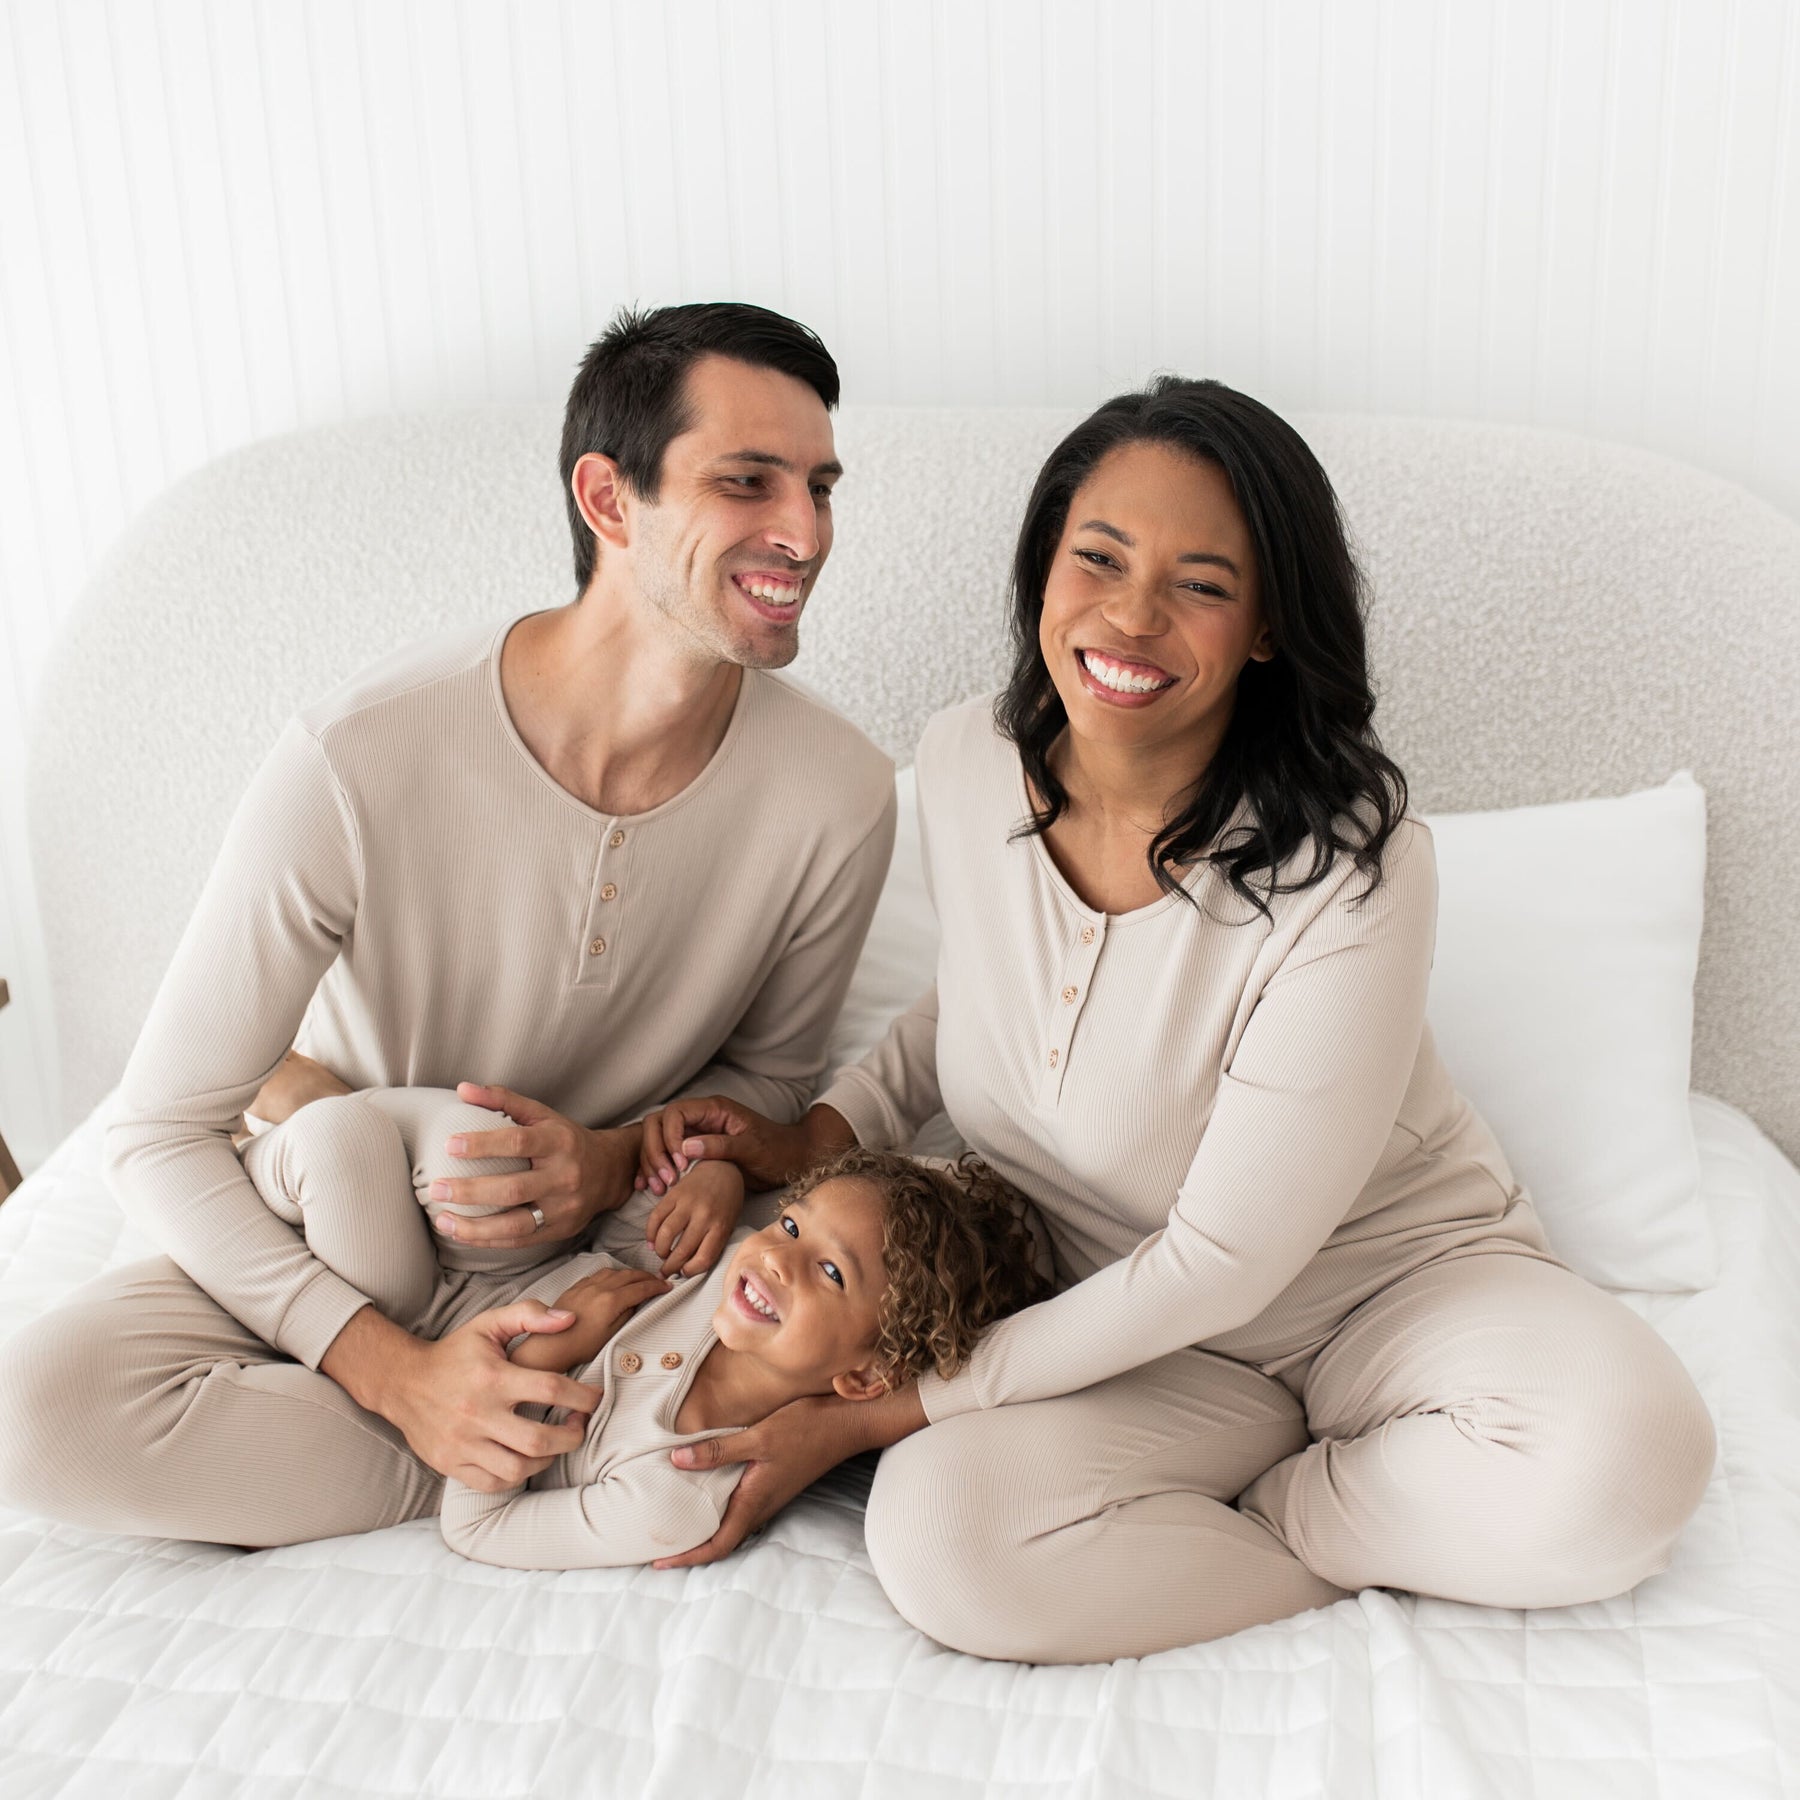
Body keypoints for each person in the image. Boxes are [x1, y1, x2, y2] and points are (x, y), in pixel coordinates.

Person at [632, 377, 1719, 1663]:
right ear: (1045, 569)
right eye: (1097, 558)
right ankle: (1299, 1507)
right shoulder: (969, 761)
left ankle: (1289, 1516)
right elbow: (972, 999)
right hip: (1116, 1328)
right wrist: (815, 1129)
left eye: (1201, 584)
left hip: (1389, 1291)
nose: (1131, 616)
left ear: (1265, 627)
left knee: (1630, 1462)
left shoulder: (1354, 870)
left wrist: (891, 1412)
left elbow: (1226, 1265)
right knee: (943, 1541)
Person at [0, 302, 897, 1547]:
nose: (803, 533)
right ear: (608, 498)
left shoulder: (839, 795)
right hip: (351, 1215)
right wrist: (390, 1371)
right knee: (35, 1413)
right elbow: (154, 1132)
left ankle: (482, 1445)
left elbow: (771, 1093)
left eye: (820, 487)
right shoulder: (358, 755)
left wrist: (609, 1154)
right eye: (748, 483)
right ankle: (467, 1431)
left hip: (612, 1263)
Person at [236, 1075, 1048, 1568]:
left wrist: (566, 1347)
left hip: (435, 1422)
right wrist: (720, 1176)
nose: (778, 1257)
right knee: (338, 1139)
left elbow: (474, 1527)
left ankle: (276, 1156)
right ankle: (261, 1148)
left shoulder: (678, 1493)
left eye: (830, 1273)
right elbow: (652, 1216)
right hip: (440, 1292)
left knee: (333, 1144)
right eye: (792, 1227)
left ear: (865, 1380)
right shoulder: (730, 1278)